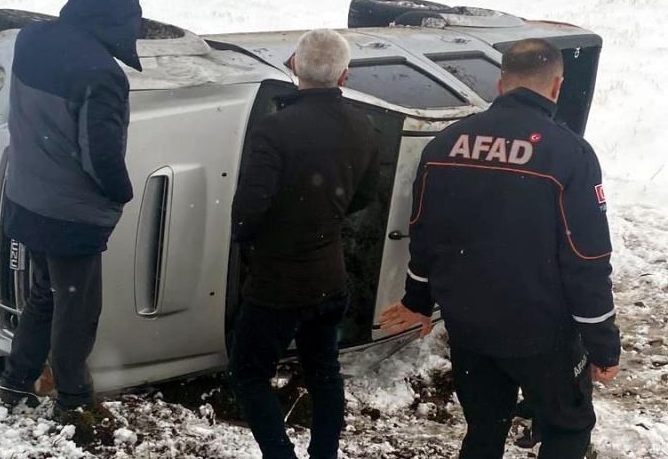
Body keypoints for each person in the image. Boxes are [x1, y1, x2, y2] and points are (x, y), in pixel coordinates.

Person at [379, 38, 621, 459]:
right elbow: (587, 258)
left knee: (484, 429)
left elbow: (424, 233)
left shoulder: (444, 145)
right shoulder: (570, 154)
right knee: (568, 427)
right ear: (557, 87)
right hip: (543, 334)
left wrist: (418, 301)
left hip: (469, 327)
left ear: (500, 84)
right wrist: (602, 344)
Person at [0, 0, 142, 419]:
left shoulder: (29, 40)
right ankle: (75, 404)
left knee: (45, 293)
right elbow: (99, 155)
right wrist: (121, 192)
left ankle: (17, 381)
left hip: (27, 197)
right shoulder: (102, 75)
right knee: (77, 310)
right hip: (69, 216)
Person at [229, 29, 380, 459]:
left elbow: (248, 210)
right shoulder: (363, 127)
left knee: (249, 373)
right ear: (345, 76)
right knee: (324, 373)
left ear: (294, 65)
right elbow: (366, 196)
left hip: (276, 282)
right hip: (329, 279)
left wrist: (250, 238)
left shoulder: (275, 130)